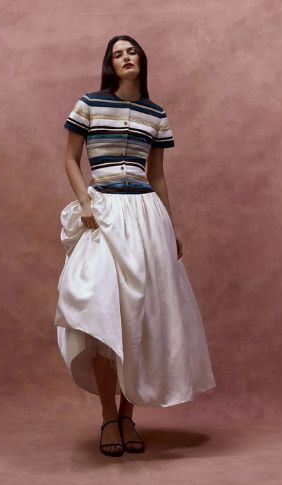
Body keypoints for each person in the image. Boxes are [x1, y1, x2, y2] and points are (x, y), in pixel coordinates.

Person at [55, 35, 216, 457]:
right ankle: (108, 416)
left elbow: (157, 174)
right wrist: (84, 201)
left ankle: (128, 417)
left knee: (141, 314)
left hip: (146, 214)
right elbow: (71, 158)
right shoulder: (89, 103)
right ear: (110, 64)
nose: (126, 58)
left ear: (141, 60)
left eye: (131, 52)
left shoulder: (155, 114)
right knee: (102, 310)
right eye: (117, 54)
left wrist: (170, 227)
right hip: (105, 211)